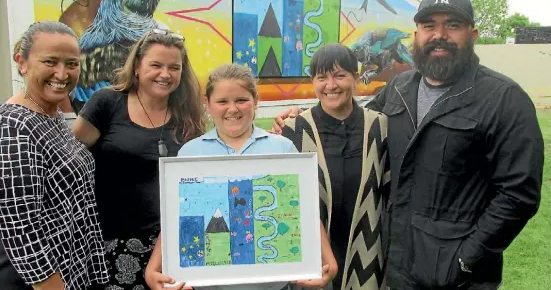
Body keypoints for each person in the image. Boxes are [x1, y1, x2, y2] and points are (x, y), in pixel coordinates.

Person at [272, 0, 545, 290]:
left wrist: (469, 257)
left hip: (460, 278)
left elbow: (518, 195)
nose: (439, 35)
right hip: (396, 268)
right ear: (416, 34)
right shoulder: (399, 88)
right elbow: (355, 123)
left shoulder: (503, 99)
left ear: (473, 34)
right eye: (429, 26)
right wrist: (303, 118)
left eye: (452, 24)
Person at [144, 64, 338, 290]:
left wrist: (327, 258)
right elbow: (177, 218)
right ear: (207, 104)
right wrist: (153, 267)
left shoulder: (282, 148)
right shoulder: (191, 153)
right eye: (222, 101)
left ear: (256, 101)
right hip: (209, 285)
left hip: (273, 285)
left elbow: (304, 212)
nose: (232, 109)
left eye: (241, 100)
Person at [0, 21, 109, 290]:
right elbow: (20, 230)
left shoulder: (50, 113)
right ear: (22, 62)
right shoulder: (12, 128)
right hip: (30, 282)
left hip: (63, 274)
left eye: (72, 64)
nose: (62, 73)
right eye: (50, 61)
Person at [72, 29, 206, 289]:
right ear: (136, 67)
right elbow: (70, 160)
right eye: (156, 65)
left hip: (169, 243)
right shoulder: (106, 103)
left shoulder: (188, 116)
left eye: (174, 67)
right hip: (109, 242)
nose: (165, 74)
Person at [279, 44, 389, 290]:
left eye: (340, 75)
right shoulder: (294, 130)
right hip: (312, 253)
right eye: (322, 77)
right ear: (313, 81)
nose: (331, 85)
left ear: (356, 78)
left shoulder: (379, 127)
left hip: (366, 251)